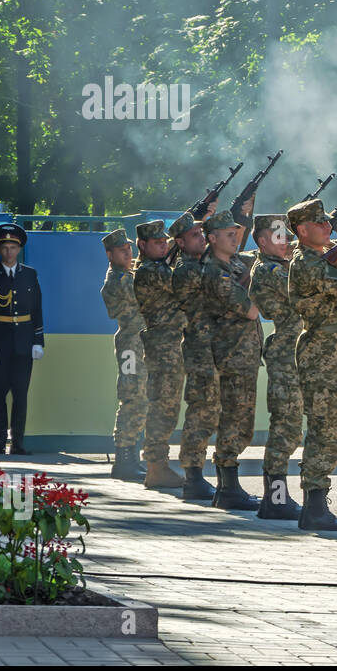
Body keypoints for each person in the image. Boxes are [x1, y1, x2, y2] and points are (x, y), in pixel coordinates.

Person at [285, 198, 337, 532]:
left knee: (328, 430)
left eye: (328, 221)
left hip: (332, 355)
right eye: (320, 223)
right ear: (302, 230)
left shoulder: (319, 259)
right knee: (324, 432)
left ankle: (315, 505)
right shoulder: (308, 263)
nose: (328, 226)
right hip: (322, 357)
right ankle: (314, 507)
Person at [199, 210, 263, 510]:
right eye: (228, 234)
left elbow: (258, 260)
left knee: (243, 420)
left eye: (236, 233)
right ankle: (227, 487)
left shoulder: (235, 263)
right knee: (234, 419)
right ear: (212, 239)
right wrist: (259, 287)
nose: (235, 238)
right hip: (231, 354)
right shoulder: (214, 272)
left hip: (245, 353)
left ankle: (229, 484)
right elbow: (251, 310)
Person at [247, 213, 304, 520]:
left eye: (287, 235)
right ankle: (276, 499)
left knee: (292, 428)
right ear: (262, 241)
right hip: (286, 355)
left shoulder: (281, 264)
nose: (286, 242)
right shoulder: (269, 270)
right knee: (285, 427)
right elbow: (306, 285)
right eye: (279, 236)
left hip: (297, 354)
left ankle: (277, 498)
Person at [0, 223, 43, 456]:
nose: (9, 252)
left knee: (20, 394)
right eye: (4, 247)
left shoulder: (29, 274)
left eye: (13, 247)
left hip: (24, 342)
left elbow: (37, 309)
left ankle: (18, 442)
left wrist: (38, 340)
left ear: (19, 249)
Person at [169, 211, 219, 500]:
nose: (201, 239)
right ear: (181, 242)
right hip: (200, 348)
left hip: (210, 347)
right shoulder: (187, 269)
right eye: (195, 236)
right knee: (201, 410)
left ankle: (198, 473)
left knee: (211, 410)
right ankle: (193, 475)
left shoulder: (201, 264)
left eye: (202, 234)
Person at [133, 219, 186, 487]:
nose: (163, 246)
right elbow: (182, 283)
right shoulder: (149, 271)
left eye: (165, 241)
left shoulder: (158, 267)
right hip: (163, 345)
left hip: (170, 343)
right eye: (157, 243)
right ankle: (156, 466)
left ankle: (159, 465)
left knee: (168, 405)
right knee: (162, 406)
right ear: (142, 245)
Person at [100, 228, 148, 480]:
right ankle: (123, 458)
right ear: (110, 254)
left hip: (139, 343)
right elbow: (143, 288)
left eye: (129, 248)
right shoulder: (119, 279)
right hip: (131, 344)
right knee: (132, 398)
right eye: (122, 250)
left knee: (142, 399)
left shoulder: (128, 273)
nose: (128, 253)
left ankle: (131, 455)